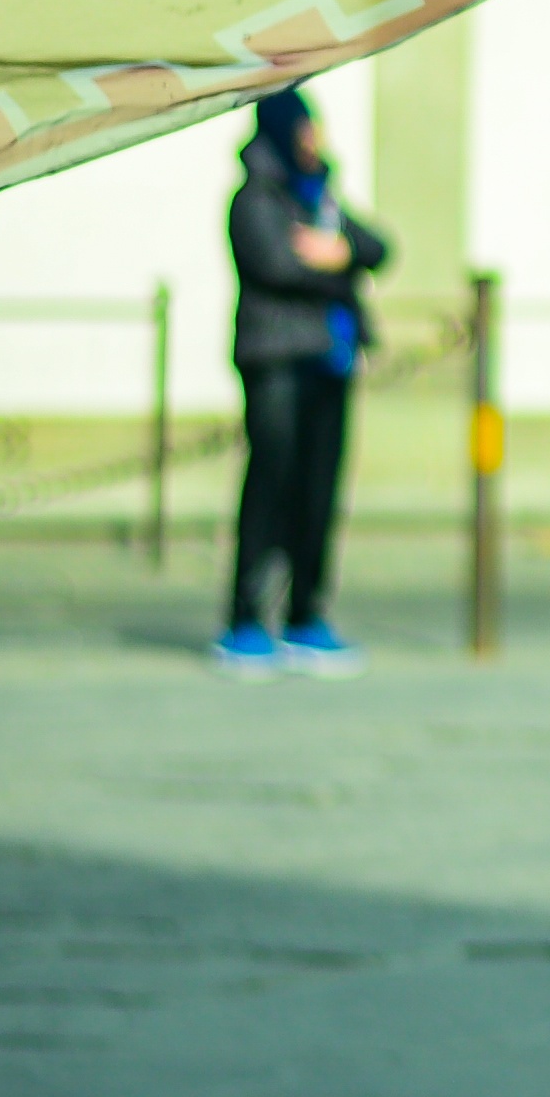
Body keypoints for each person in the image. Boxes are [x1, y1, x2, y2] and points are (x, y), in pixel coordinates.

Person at [220, 91, 385, 672]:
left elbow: (376, 245)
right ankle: (245, 619)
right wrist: (338, 266)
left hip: (330, 362)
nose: (316, 139)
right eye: (308, 129)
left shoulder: (324, 198)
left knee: (318, 494)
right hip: (277, 363)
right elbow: (275, 266)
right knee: (271, 487)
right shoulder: (254, 200)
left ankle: (305, 616)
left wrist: (336, 254)